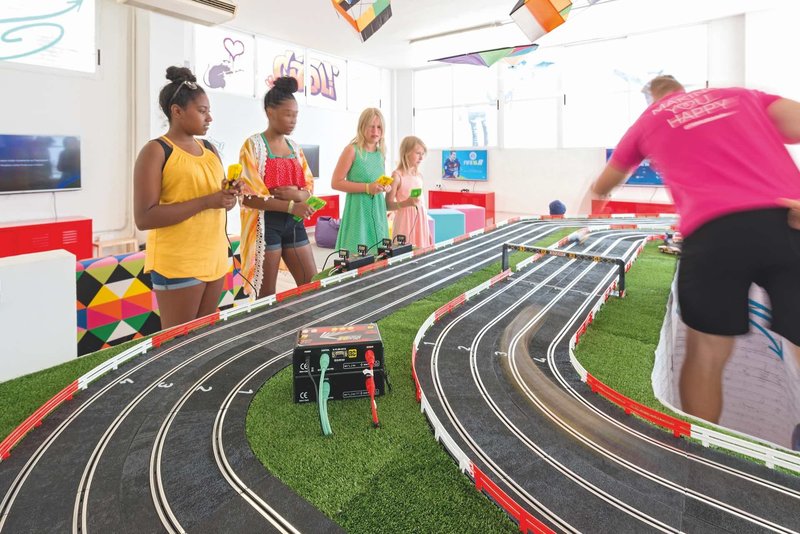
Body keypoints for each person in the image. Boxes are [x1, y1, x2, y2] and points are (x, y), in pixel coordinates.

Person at [591, 74, 800, 423]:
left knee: (706, 353)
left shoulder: (650, 118)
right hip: (787, 220)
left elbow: (604, 184)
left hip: (713, 232)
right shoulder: (740, 95)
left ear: (651, 96)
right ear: (681, 89)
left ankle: (701, 446)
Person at [133, 66, 239, 329]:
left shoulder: (210, 149)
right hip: (178, 263)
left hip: (214, 258)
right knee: (178, 343)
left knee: (202, 338)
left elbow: (220, 202)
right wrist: (208, 201)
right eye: (202, 111)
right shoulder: (156, 151)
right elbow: (144, 217)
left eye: (209, 111)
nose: (209, 118)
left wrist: (229, 196)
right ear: (177, 111)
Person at [238, 76, 317, 298]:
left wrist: (297, 194)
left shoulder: (295, 148)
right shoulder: (253, 145)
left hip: (294, 223)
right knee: (266, 297)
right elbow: (247, 197)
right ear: (270, 112)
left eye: (296, 115)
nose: (293, 120)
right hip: (266, 225)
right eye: (288, 114)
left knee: (312, 285)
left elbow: (309, 187)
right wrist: (292, 205)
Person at [331, 107, 390, 255]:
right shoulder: (352, 150)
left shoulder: (381, 153)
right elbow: (336, 182)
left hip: (378, 210)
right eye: (371, 126)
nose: (375, 131)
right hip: (358, 210)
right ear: (362, 127)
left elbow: (377, 180)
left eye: (379, 127)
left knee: (379, 254)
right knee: (356, 255)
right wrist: (367, 188)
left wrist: (385, 186)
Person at [386, 136, 432, 248]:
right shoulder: (397, 176)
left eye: (422, 154)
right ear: (406, 153)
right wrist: (406, 203)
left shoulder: (419, 176)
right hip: (404, 221)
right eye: (418, 153)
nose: (421, 157)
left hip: (420, 221)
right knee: (403, 252)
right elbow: (387, 205)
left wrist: (428, 230)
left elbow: (422, 204)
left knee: (422, 252)